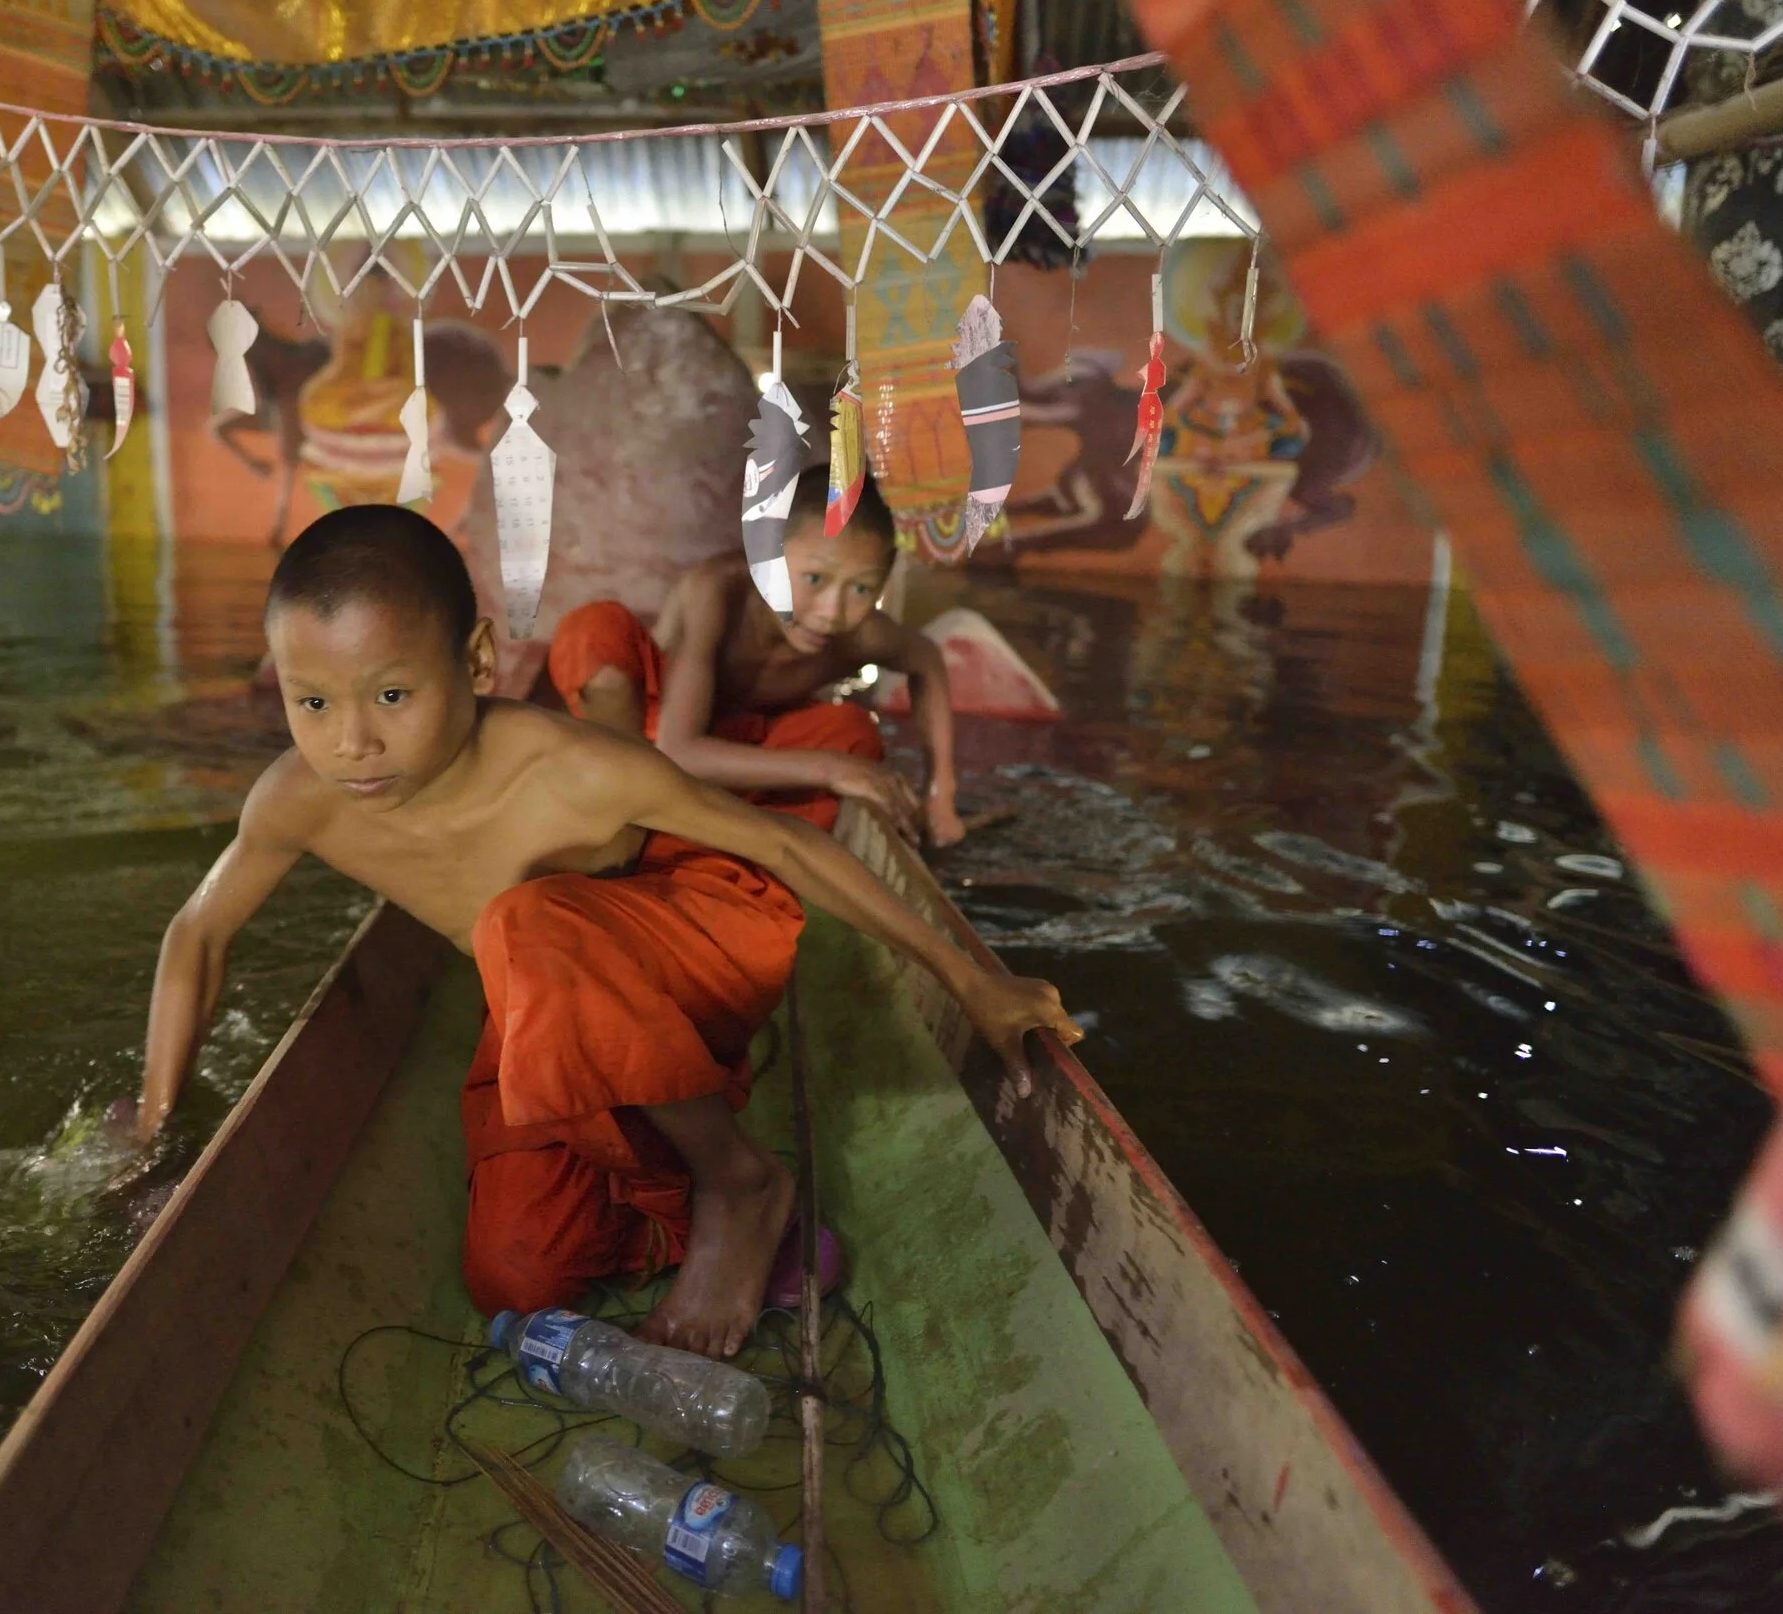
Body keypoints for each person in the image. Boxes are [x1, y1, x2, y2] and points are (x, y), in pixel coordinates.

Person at [135, 506, 1078, 1360]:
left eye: (390, 697)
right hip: (555, 1003)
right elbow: (196, 934)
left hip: (687, 947)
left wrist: (972, 984)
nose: (351, 744)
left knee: (524, 922)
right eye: (313, 703)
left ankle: (738, 1181)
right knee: (516, 1276)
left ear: (474, 664)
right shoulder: (299, 801)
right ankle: (675, 1200)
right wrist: (150, 1123)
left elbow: (781, 843)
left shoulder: (571, 769)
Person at [547, 468, 967, 847]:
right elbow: (678, 750)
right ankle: (624, 819)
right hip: (650, 739)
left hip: (736, 760)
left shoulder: (858, 633)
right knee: (594, 631)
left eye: (860, 589)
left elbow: (925, 660)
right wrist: (829, 769)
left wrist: (940, 795)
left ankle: (749, 844)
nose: (831, 612)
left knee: (852, 730)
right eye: (814, 579)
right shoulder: (718, 592)